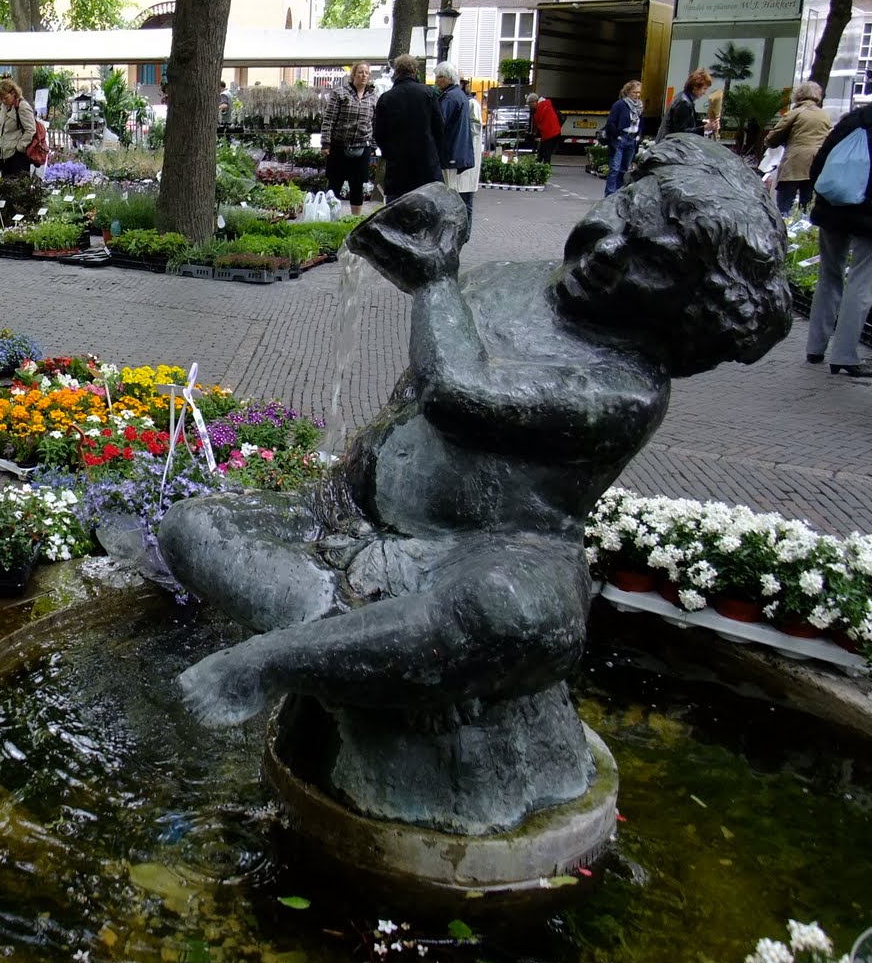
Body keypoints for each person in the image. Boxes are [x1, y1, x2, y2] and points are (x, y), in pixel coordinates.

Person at [158, 137, 792, 743]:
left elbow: (458, 394)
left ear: (690, 305)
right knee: (191, 525)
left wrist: (434, 279)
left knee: (513, 617)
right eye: (622, 214)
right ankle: (373, 649)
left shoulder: (630, 386)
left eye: (650, 263)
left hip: (492, 556)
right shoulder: (518, 279)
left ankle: (276, 661)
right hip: (351, 525)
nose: (607, 252)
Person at [804, 104, 872, 377]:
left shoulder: (851, 121)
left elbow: (819, 163)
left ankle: (815, 347)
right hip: (868, 218)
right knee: (862, 281)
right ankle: (845, 354)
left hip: (832, 210)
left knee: (829, 275)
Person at [372, 54, 444, 202]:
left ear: (396, 72)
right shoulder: (428, 94)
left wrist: (389, 152)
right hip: (426, 164)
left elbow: (379, 133)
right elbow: (439, 127)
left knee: (397, 212)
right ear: (415, 71)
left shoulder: (386, 98)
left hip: (398, 166)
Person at [764, 81, 832, 215]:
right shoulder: (825, 115)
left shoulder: (795, 113)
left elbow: (772, 139)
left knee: (785, 204)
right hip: (817, 164)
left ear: (799, 95)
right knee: (806, 204)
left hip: (794, 163)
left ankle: (785, 227)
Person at [320, 62, 377, 216]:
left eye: (366, 73)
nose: (363, 75)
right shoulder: (340, 93)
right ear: (353, 75)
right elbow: (329, 119)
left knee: (357, 185)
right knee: (335, 184)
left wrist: (372, 146)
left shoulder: (373, 97)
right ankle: (331, 217)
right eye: (360, 72)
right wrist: (326, 143)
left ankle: (355, 220)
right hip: (339, 146)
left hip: (362, 147)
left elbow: (375, 122)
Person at [435, 62, 477, 226]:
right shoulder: (458, 95)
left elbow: (440, 123)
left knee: (447, 193)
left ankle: (449, 227)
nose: (437, 81)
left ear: (447, 78)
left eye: (439, 77)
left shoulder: (450, 97)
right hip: (455, 152)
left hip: (449, 153)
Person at [601, 80, 644, 197]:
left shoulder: (639, 106)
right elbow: (611, 122)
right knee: (614, 168)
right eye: (635, 92)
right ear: (628, 92)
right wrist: (617, 136)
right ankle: (609, 195)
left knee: (624, 169)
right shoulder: (620, 105)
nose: (637, 95)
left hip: (632, 139)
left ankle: (618, 194)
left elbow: (640, 122)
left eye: (639, 93)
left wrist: (638, 136)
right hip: (620, 139)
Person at [0, 76, 36, 177]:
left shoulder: (22, 106)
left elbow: (30, 129)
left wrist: (19, 147)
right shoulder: (5, 107)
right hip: (6, 155)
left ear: (13, 93)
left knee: (18, 187)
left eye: (6, 98)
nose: (3, 101)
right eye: (1, 98)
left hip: (18, 156)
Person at [660, 69, 712, 139]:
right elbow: (681, 132)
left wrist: (704, 123)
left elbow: (689, 123)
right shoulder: (683, 102)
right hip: (669, 146)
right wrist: (704, 128)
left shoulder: (684, 98)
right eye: (704, 89)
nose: (705, 92)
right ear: (695, 87)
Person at [526, 92, 562, 163]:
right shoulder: (546, 104)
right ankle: (540, 167)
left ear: (534, 102)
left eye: (530, 104)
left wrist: (533, 134)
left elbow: (537, 122)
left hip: (549, 134)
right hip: (554, 132)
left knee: (546, 154)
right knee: (543, 152)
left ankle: (544, 169)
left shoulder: (540, 108)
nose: (530, 106)